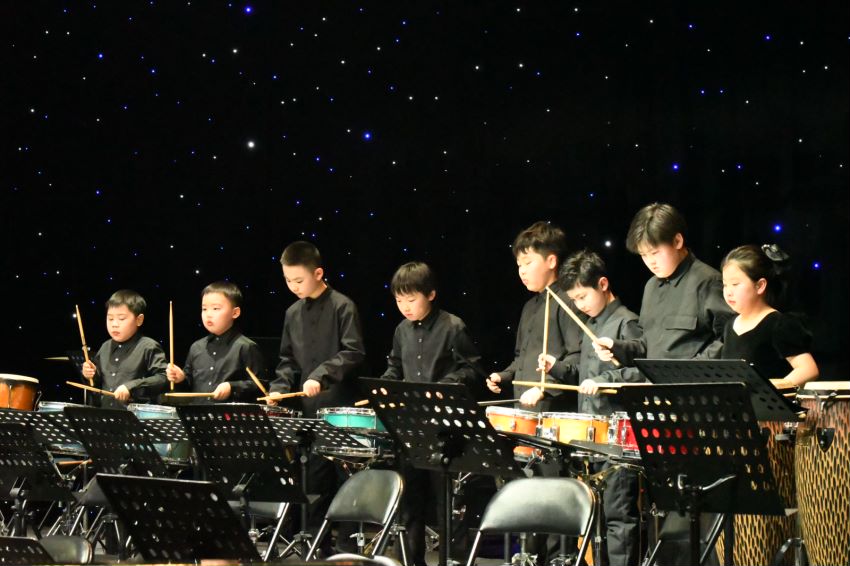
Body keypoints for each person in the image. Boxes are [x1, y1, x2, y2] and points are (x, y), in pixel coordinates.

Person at [593, 203, 735, 566]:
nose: (651, 262)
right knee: (666, 509)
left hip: (698, 414)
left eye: (655, 252)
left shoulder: (708, 280)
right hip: (659, 412)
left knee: (697, 514)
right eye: (644, 256)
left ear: (678, 241)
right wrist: (619, 348)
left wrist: (689, 372)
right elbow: (648, 347)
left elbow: (729, 341)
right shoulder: (650, 288)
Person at [541, 250, 643, 566]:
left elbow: (642, 372)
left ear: (603, 284)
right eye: (575, 299)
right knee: (594, 519)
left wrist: (605, 379)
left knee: (618, 517)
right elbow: (583, 377)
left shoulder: (626, 322)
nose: (580, 305)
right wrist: (557, 367)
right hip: (590, 437)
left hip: (617, 440)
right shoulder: (590, 324)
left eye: (583, 296)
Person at [381, 261, 484, 566]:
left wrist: (446, 385)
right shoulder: (401, 330)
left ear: (431, 294)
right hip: (411, 426)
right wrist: (384, 387)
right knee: (410, 501)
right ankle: (411, 561)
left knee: (448, 502)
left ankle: (452, 562)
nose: (405, 307)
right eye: (399, 300)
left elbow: (472, 369)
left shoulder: (453, 326)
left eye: (411, 299)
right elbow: (395, 367)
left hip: (446, 428)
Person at [269, 241, 366, 554]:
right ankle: (315, 547)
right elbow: (287, 360)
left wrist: (320, 375)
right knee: (314, 483)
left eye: (299, 280)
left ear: (319, 273)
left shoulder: (342, 306)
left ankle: (347, 549)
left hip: (341, 409)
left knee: (346, 482)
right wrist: (279, 387)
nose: (293, 287)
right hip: (310, 412)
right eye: (288, 281)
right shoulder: (292, 313)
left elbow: (353, 351)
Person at [486, 221, 583, 411]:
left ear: (551, 261)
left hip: (553, 410)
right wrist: (504, 375)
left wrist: (544, 387)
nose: (522, 270)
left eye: (528, 263)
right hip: (524, 408)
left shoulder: (570, 300)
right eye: (519, 265)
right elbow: (521, 358)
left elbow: (577, 357)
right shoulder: (529, 307)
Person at [721, 244, 818, 384]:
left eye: (735, 284)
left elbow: (808, 369)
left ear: (760, 285)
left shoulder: (779, 324)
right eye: (725, 284)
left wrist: (772, 389)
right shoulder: (730, 325)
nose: (728, 291)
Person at [165, 281, 268, 401]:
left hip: (230, 412)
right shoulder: (196, 347)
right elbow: (189, 386)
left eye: (215, 308)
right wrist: (181, 378)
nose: (208, 314)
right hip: (198, 411)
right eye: (204, 309)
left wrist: (232, 387)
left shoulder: (246, 347)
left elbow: (261, 386)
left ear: (235, 313)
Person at [81, 289, 168, 409]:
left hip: (135, 416)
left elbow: (163, 378)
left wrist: (131, 386)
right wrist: (90, 374)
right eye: (110, 319)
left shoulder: (148, 346)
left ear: (139, 320)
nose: (114, 324)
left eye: (121, 319)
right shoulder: (105, 346)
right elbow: (97, 383)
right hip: (106, 414)